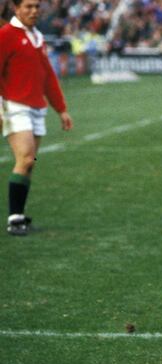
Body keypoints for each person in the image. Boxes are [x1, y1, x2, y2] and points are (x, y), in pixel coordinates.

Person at [0, 0, 73, 236]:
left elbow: (48, 76)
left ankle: (19, 216)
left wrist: (61, 109)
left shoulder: (37, 37)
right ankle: (13, 220)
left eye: (36, 7)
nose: (34, 11)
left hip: (37, 107)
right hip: (14, 105)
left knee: (30, 164)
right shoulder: (6, 35)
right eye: (28, 7)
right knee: (26, 158)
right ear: (16, 8)